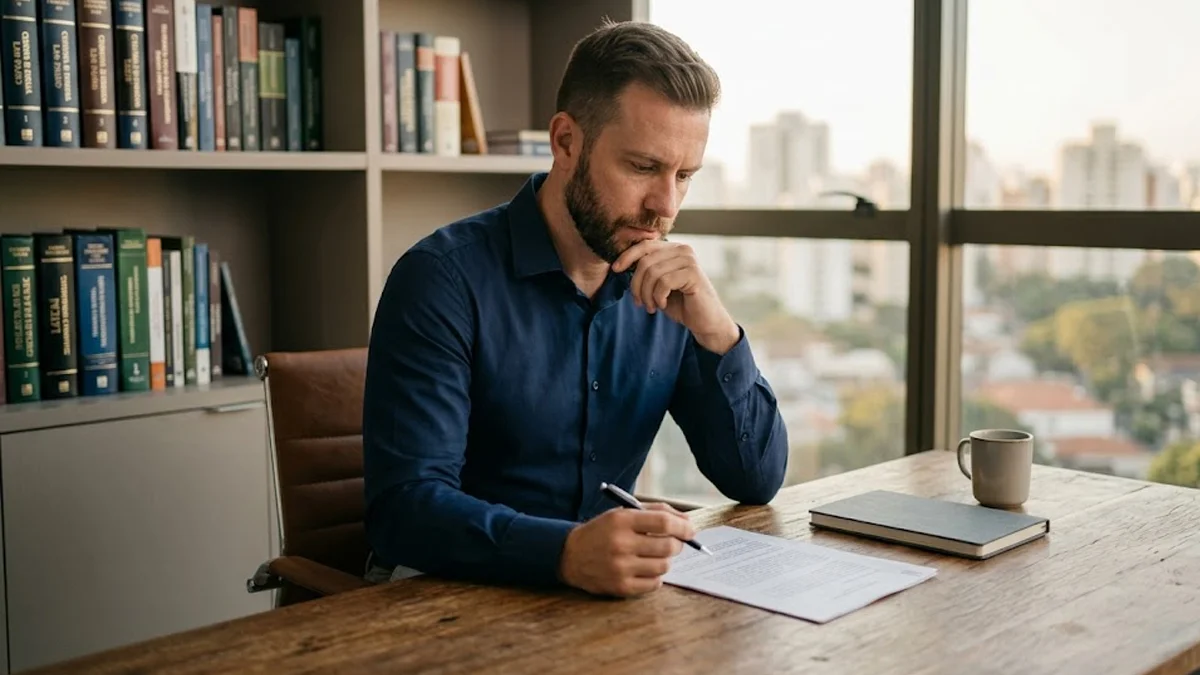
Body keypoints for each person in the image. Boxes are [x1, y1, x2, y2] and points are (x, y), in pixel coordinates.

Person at [362, 18, 789, 598]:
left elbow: (755, 479)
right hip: (443, 595)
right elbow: (404, 510)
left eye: (684, 175)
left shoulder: (670, 292)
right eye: (643, 167)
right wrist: (563, 552)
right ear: (566, 142)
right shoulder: (441, 280)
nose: (665, 205)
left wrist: (719, 335)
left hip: (598, 600)